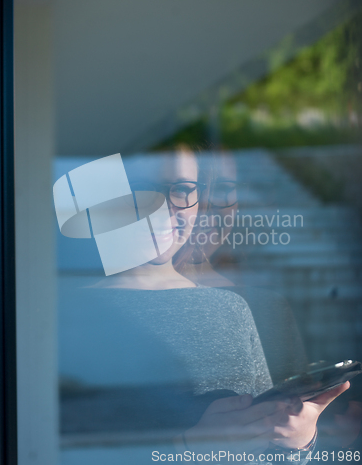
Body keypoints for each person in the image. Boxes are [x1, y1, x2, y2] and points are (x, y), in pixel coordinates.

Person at [60, 147, 350, 461]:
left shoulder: (232, 308)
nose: (168, 206)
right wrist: (186, 451)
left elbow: (270, 453)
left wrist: (296, 441)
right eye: (144, 190)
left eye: (183, 190)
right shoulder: (64, 313)